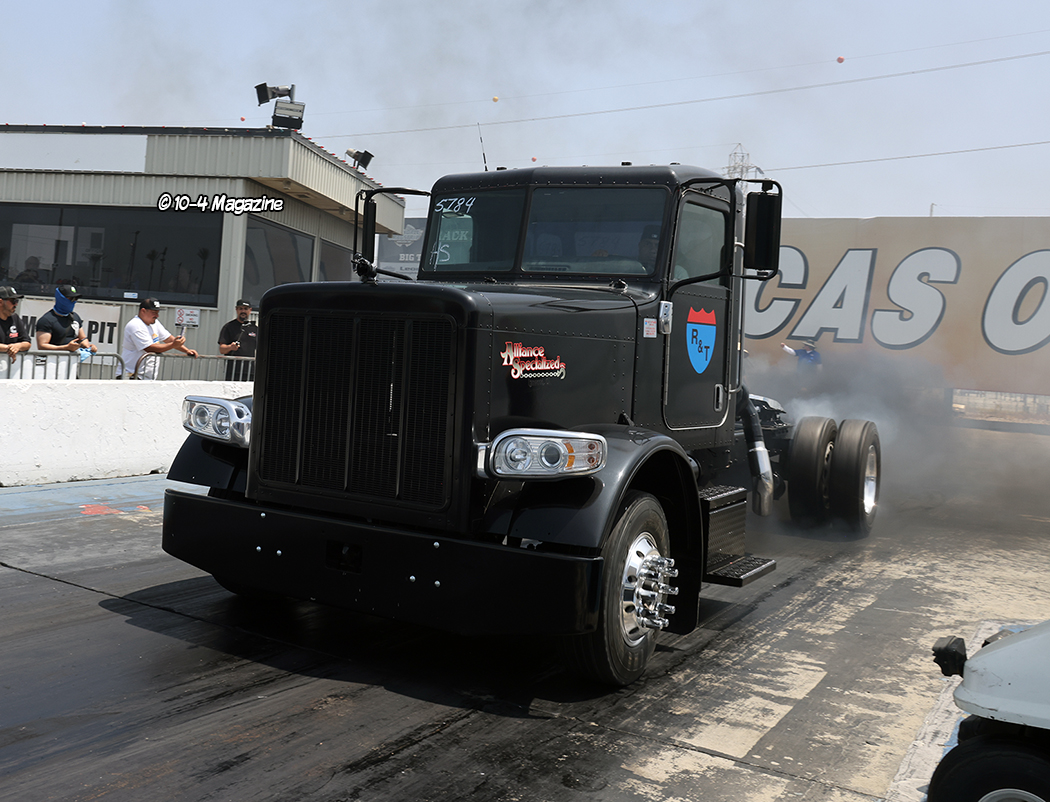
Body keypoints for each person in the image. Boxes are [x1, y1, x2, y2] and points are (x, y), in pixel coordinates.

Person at [120, 298, 198, 379]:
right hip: (132, 375)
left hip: (146, 376)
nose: (157, 316)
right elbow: (149, 348)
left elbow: (169, 338)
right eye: (154, 312)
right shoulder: (135, 325)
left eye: (158, 313)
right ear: (143, 311)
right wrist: (173, 345)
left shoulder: (155, 323)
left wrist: (187, 350)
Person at [36, 285, 98, 355]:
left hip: (72, 360)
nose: (73, 301)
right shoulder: (46, 320)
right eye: (71, 298)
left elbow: (82, 338)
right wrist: (65, 348)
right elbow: (42, 346)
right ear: (60, 298)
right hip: (53, 360)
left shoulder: (75, 317)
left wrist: (89, 347)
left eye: (75, 299)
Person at [217, 298, 258, 381]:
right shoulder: (228, 327)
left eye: (245, 309)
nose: (243, 311)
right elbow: (222, 349)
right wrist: (230, 347)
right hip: (233, 371)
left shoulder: (255, 329)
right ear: (236, 310)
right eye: (240, 309)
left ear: (250, 310)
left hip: (251, 371)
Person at [0, 286, 31, 371]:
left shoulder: (15, 318)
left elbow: (27, 343)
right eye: (13, 301)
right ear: (0, 302)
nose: (16, 304)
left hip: (9, 371)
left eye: (17, 301)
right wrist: (9, 348)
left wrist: (18, 346)